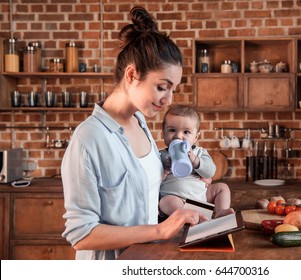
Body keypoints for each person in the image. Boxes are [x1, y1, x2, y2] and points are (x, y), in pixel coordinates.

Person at [61, 6, 206, 260]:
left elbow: (142, 184)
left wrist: (188, 174)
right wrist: (159, 230)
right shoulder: (89, 139)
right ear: (132, 75)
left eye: (173, 89)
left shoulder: (139, 121)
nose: (168, 99)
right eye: (162, 87)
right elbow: (81, 235)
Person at [159, 105, 234, 219]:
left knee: (222, 187)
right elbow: (153, 180)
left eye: (186, 132)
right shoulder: (161, 155)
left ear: (196, 137)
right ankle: (190, 217)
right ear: (163, 132)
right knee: (166, 202)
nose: (178, 136)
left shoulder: (199, 152)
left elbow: (210, 172)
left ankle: (220, 211)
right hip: (177, 201)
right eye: (172, 130)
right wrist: (164, 171)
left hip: (201, 198)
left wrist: (195, 161)